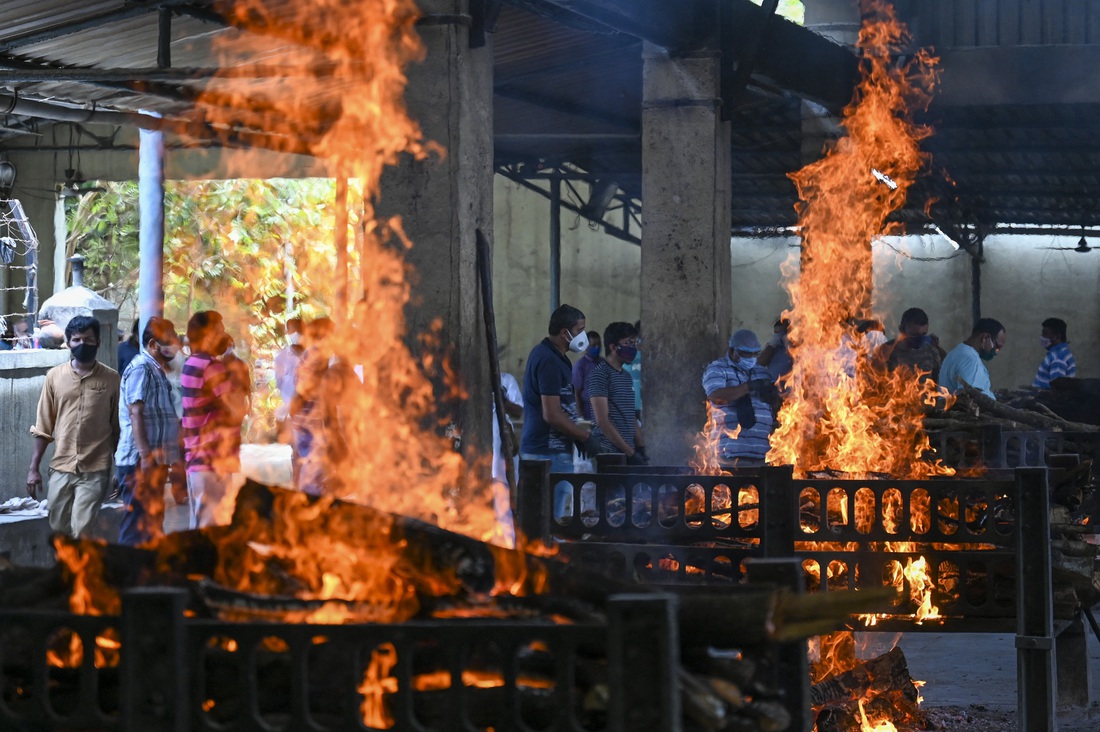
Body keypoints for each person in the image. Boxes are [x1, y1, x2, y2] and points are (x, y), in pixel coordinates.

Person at [26, 315, 120, 537]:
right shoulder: (54, 377)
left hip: (96, 468)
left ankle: (79, 572)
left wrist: (120, 468)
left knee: (82, 530)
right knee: (58, 530)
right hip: (61, 467)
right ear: (68, 343)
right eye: (76, 339)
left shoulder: (111, 379)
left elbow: (118, 428)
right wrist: (33, 469)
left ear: (98, 342)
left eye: (88, 339)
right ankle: (64, 571)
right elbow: (43, 426)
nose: (82, 344)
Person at [115, 317, 185, 546]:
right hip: (140, 462)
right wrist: (145, 456)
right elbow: (136, 412)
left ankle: (147, 573)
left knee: (152, 520)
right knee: (137, 522)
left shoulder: (156, 370)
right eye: (169, 343)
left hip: (155, 459)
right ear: (153, 344)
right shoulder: (141, 368)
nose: (175, 348)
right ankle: (127, 574)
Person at [181, 311, 249, 528]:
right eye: (219, 331)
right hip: (213, 462)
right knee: (212, 530)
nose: (225, 335)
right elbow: (238, 409)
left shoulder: (191, 363)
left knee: (200, 528)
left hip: (198, 460)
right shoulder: (211, 366)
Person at [520, 304, 598, 476]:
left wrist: (574, 434)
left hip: (553, 453)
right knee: (551, 503)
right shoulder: (548, 360)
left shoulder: (557, 358)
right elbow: (552, 414)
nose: (583, 335)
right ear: (565, 333)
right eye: (580, 330)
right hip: (546, 454)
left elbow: (563, 406)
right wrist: (584, 436)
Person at [702, 329, 779, 467]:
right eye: (745, 354)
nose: (751, 358)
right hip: (729, 456)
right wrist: (749, 387)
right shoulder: (718, 369)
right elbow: (716, 396)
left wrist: (773, 396)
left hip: (763, 456)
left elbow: (777, 407)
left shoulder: (762, 372)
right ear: (733, 351)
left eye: (754, 354)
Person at [588, 321, 647, 464]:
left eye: (634, 343)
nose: (633, 347)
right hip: (609, 454)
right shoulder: (600, 374)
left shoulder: (625, 376)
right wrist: (630, 453)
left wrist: (640, 448)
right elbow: (602, 421)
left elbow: (629, 415)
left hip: (626, 453)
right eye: (628, 343)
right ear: (614, 347)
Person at [938, 318, 1006, 399]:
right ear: (985, 338)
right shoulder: (970, 360)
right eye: (997, 347)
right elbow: (971, 399)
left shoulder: (957, 352)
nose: (996, 352)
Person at [875, 307, 946, 383]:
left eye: (923, 334)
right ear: (902, 330)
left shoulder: (931, 350)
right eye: (914, 334)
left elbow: (942, 379)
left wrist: (937, 348)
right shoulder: (887, 351)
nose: (919, 339)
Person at [1033, 317, 1076, 389]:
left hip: (1043, 399)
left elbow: (1056, 388)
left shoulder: (1058, 358)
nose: (1042, 337)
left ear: (1056, 336)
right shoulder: (1062, 352)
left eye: (1045, 334)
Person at [570, 330, 602, 420]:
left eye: (599, 345)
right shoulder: (580, 366)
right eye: (593, 345)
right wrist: (580, 416)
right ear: (586, 347)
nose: (597, 347)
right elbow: (576, 393)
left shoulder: (604, 364)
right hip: (587, 410)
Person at [759, 317, 793, 384]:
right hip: (773, 387)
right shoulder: (772, 347)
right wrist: (773, 343)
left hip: (791, 388)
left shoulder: (798, 347)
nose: (779, 336)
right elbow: (760, 362)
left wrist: (789, 345)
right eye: (777, 333)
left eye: (782, 333)